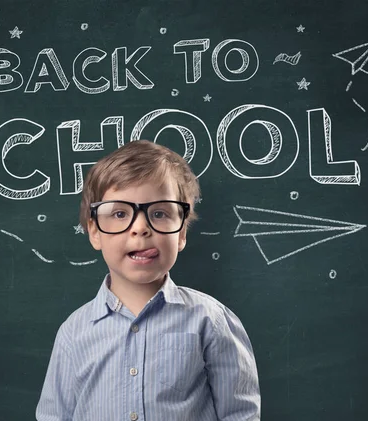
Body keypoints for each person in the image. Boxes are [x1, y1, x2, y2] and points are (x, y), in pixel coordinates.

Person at [36, 140, 260, 420]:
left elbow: (239, 415)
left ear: (181, 233)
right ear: (94, 232)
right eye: (119, 214)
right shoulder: (73, 333)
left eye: (159, 213)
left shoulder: (210, 320)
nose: (140, 228)